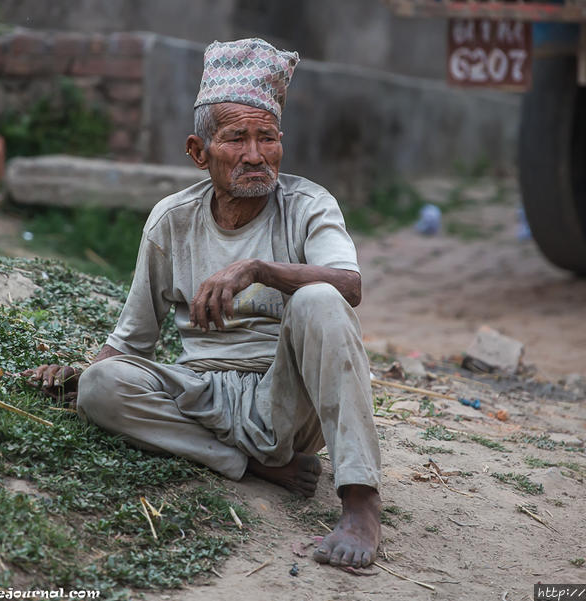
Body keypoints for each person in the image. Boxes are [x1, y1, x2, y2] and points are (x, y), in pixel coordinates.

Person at [25, 38, 381, 568]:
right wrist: (77, 376)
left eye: (268, 138)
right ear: (198, 151)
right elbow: (132, 340)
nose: (256, 156)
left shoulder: (308, 204)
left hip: (287, 397)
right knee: (103, 386)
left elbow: (349, 286)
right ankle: (247, 463)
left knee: (319, 300)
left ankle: (360, 503)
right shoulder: (172, 219)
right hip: (205, 397)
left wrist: (256, 270)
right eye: (237, 138)